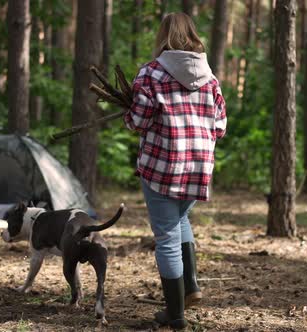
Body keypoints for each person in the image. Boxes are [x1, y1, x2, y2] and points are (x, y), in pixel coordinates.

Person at [123, 12, 227, 329]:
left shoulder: (151, 74)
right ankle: (191, 287)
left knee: (167, 236)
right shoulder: (210, 79)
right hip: (198, 166)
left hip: (162, 166)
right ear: (193, 36)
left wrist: (129, 114)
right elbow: (220, 127)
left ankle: (175, 315)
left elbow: (137, 122)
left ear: (163, 36)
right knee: (180, 220)